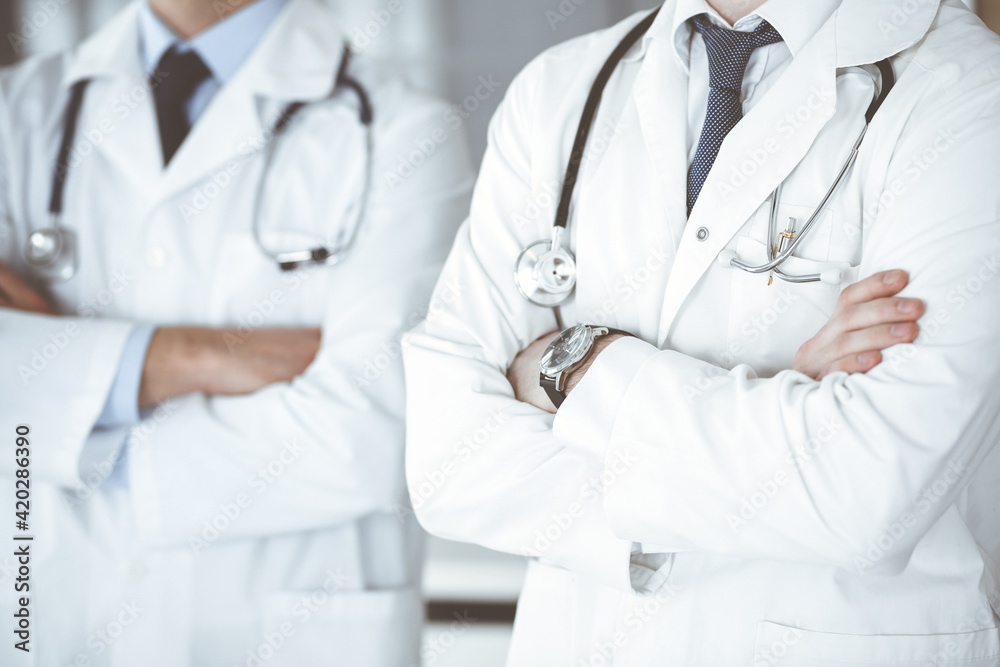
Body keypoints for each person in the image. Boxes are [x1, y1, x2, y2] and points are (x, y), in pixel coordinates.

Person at [404, 0, 1000, 664]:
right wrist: (779, 408)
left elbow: (867, 491)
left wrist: (574, 368)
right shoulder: (558, 92)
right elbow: (446, 459)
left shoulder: (969, 99)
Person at [0, 0, 471, 664]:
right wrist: (182, 356)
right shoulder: (17, 112)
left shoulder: (403, 132)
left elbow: (370, 432)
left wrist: (66, 414)